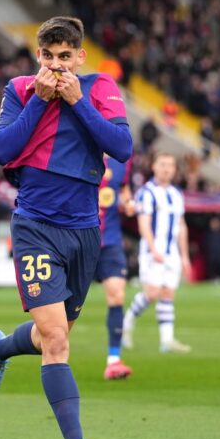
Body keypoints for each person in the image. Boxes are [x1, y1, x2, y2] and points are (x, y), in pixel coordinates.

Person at [0, 16, 132, 439]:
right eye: (49, 57)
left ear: (80, 58)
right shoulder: (21, 89)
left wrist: (78, 103)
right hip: (35, 227)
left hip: (86, 230)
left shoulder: (100, 88)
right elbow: (2, 150)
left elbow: (121, 147)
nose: (57, 66)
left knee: (55, 334)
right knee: (57, 338)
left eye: (66, 57)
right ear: (38, 57)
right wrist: (41, 101)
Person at [122, 152, 192, 353]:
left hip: (172, 253)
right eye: (162, 164)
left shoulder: (177, 194)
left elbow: (181, 225)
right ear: (154, 167)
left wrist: (185, 256)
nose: (166, 168)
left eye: (170, 165)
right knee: (151, 293)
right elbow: (143, 223)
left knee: (168, 293)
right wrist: (153, 249)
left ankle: (167, 341)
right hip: (154, 251)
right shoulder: (147, 192)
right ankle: (127, 324)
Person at [95, 154, 136, 380]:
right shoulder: (78, 147)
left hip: (110, 240)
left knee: (117, 295)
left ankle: (114, 360)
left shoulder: (122, 159)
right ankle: (56, 357)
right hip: (79, 238)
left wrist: (128, 202)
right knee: (65, 305)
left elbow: (123, 187)